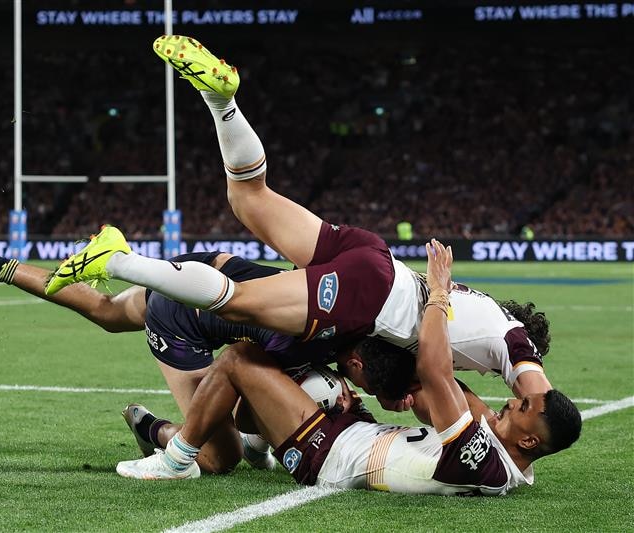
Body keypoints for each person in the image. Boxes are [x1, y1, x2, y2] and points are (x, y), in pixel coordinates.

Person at [43, 35, 553, 401]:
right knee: (237, 302)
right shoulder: (512, 343)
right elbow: (538, 397)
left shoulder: (479, 310)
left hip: (374, 258)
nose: (513, 399)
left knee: (248, 194)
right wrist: (531, 416)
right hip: (370, 295)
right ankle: (119, 259)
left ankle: (221, 101)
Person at [115, 239, 582, 497]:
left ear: (529, 438)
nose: (510, 398)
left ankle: (176, 456)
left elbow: (436, 375)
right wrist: (399, 392)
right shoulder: (504, 460)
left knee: (241, 361)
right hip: (353, 425)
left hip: (333, 455)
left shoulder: (482, 461)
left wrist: (438, 293)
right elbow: (429, 394)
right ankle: (252, 440)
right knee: (293, 365)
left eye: (520, 405)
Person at [0, 238, 414, 472]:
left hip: (203, 273)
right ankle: (151, 427)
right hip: (182, 320)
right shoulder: (300, 339)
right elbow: (248, 401)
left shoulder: (347, 317)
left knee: (104, 310)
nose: (363, 393)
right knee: (219, 456)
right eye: (368, 386)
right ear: (355, 363)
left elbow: (236, 268)